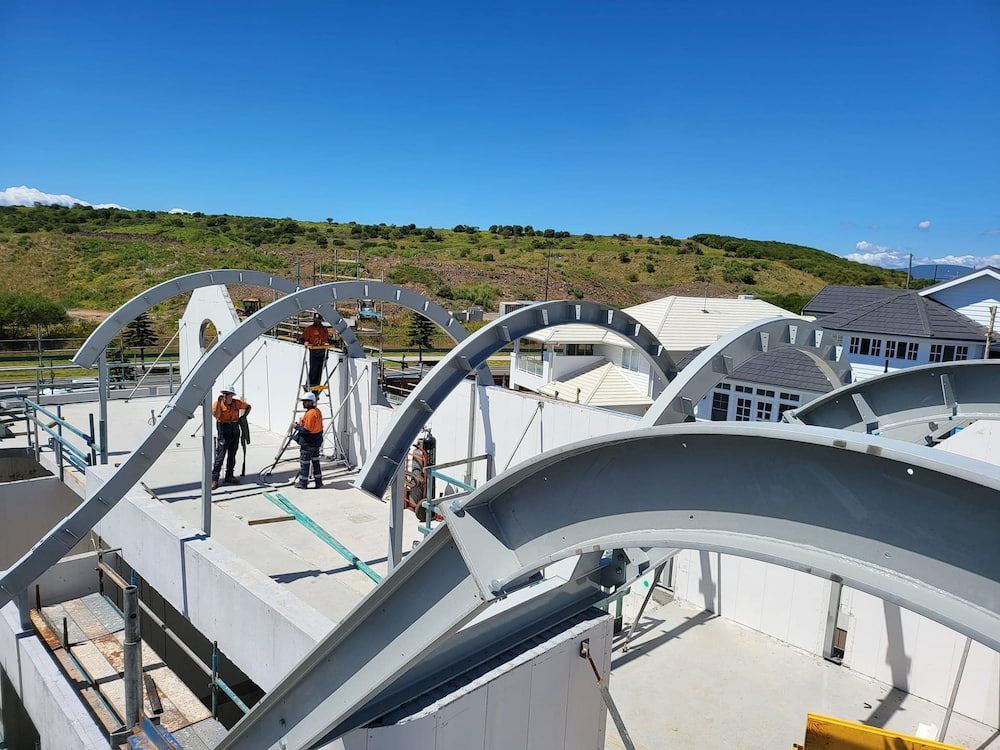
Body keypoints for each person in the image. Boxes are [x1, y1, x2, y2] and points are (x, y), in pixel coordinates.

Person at [211, 385, 251, 490]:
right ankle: (214, 479)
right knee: (220, 456)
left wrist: (243, 417)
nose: (225, 396)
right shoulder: (217, 404)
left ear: (232, 395)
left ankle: (229, 476)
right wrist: (219, 402)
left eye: (227, 394)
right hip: (224, 429)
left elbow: (248, 407)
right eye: (224, 393)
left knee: (232, 455)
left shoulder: (236, 403)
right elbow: (216, 415)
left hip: (234, 428)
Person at [294, 391, 323, 489]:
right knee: (316, 462)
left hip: (308, 444)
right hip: (316, 443)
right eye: (304, 401)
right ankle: (318, 482)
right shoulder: (317, 411)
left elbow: (307, 430)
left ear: (311, 402)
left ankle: (303, 483)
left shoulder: (310, 413)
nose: (304, 403)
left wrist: (296, 427)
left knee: (305, 463)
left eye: (306, 401)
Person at [300, 313, 331, 389]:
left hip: (323, 351)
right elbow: (301, 339)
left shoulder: (324, 329)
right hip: (314, 352)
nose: (317, 322)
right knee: (313, 370)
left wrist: (333, 342)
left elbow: (327, 340)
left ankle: (315, 390)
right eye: (316, 320)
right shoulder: (309, 329)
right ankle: (308, 387)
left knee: (320, 370)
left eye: (319, 320)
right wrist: (305, 342)